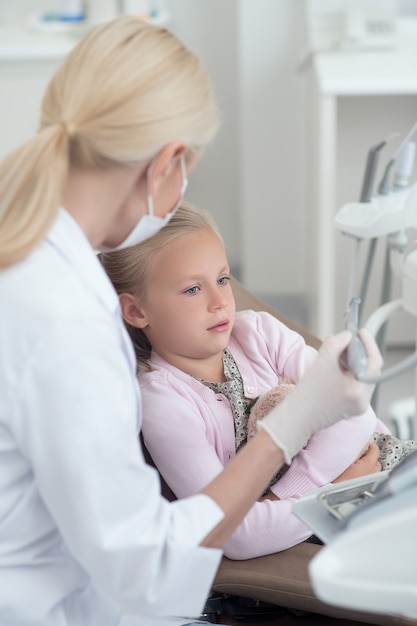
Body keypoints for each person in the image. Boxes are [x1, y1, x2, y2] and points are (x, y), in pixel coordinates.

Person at [0, 15, 382, 626]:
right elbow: (149, 565)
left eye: (222, 280)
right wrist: (294, 425)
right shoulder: (64, 323)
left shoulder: (43, 262)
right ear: (168, 161)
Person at [100, 201, 396, 559]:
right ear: (136, 310)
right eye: (192, 289)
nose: (220, 302)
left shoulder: (260, 333)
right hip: (352, 514)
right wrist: (331, 492)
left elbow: (357, 411)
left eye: (222, 279)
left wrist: (277, 498)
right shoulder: (164, 403)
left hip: (389, 468)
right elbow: (236, 535)